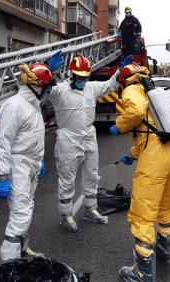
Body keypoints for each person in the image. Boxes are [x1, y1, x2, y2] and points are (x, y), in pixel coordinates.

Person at [109, 64, 170, 282]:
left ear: (126, 80)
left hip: (156, 158)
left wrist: (119, 125)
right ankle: (164, 250)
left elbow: (134, 112)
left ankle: (141, 272)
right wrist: (133, 154)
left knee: (143, 213)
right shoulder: (156, 91)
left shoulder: (133, 90)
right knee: (166, 206)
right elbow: (150, 130)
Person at [46, 52, 132, 233]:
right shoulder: (60, 91)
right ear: (71, 74)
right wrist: (50, 69)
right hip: (68, 139)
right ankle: (66, 215)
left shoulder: (90, 88)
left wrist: (119, 72)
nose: (83, 81)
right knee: (67, 178)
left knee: (92, 174)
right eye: (79, 77)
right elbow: (45, 86)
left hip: (89, 136)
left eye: (86, 77)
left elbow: (109, 85)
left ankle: (91, 209)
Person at [0, 62, 51, 261]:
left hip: (30, 166)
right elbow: (3, 142)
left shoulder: (32, 106)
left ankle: (22, 249)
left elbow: (34, 137)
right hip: (17, 167)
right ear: (36, 86)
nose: (47, 92)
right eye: (45, 87)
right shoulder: (14, 106)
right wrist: (3, 176)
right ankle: (8, 263)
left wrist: (39, 161)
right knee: (20, 214)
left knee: (26, 209)